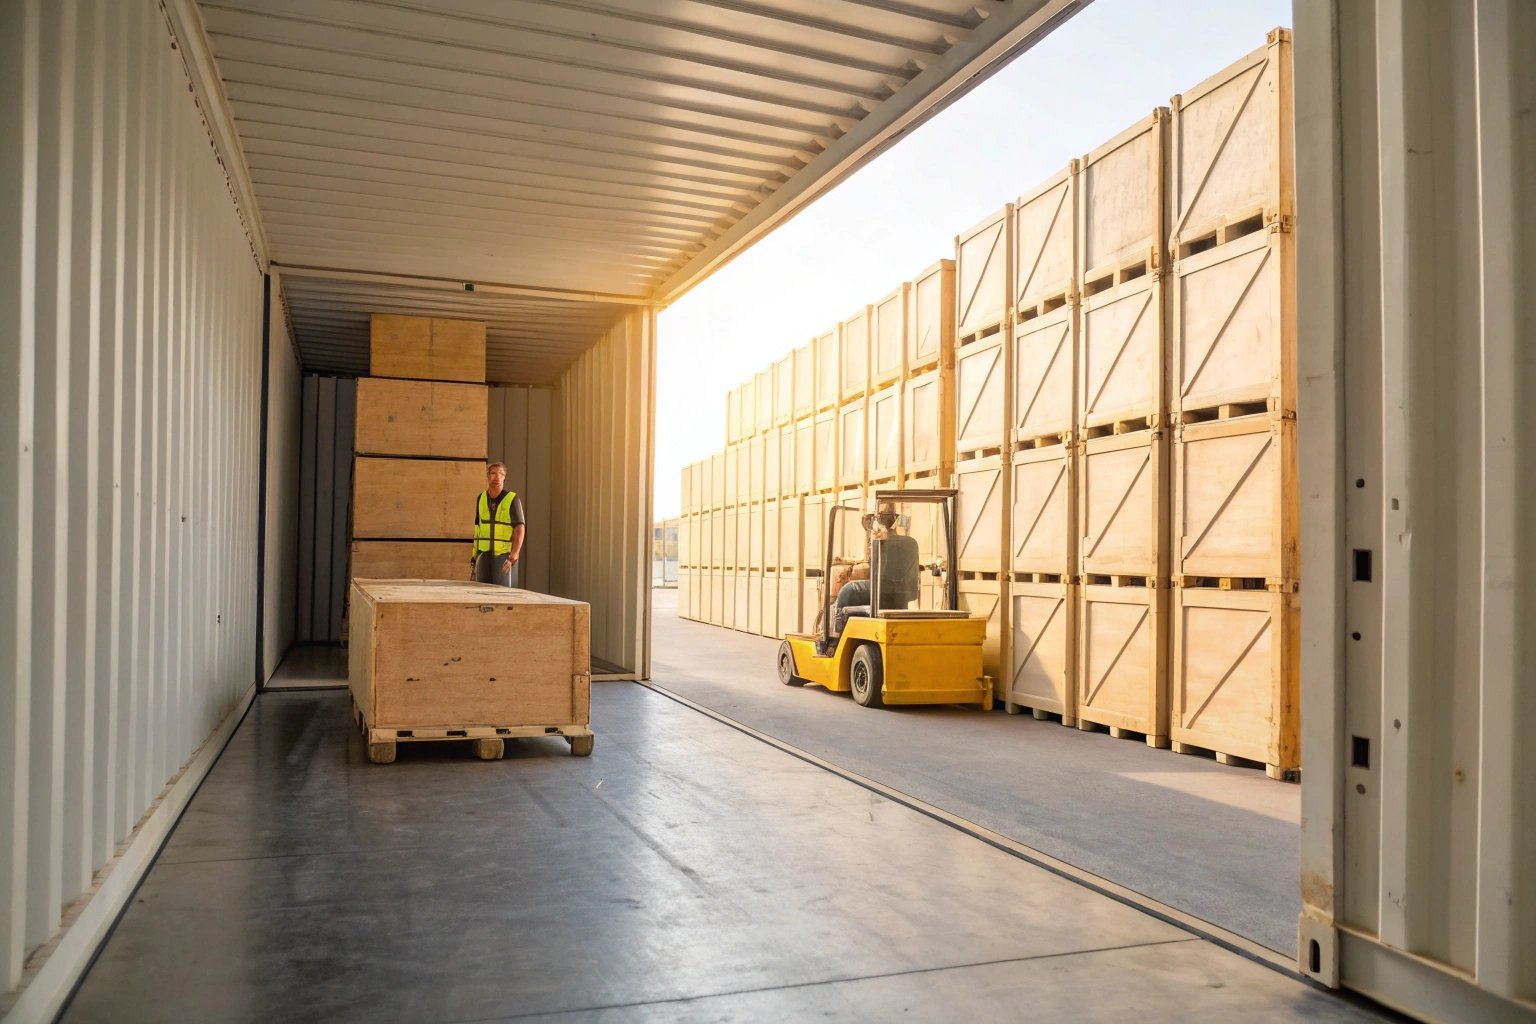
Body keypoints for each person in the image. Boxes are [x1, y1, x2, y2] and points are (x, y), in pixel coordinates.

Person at [826, 502, 921, 642]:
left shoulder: (883, 542)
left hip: (884, 592)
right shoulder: (909, 542)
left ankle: (835, 641)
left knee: (847, 591)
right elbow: (882, 569)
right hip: (898, 595)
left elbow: (881, 576)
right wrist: (851, 570)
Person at [471, 462, 526, 587]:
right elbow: (477, 528)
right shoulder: (481, 498)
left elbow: (520, 529)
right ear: (488, 476)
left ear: (505, 477)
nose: (497, 477)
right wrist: (474, 558)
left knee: (504, 596)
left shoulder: (512, 499)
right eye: (493, 473)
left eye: (501, 474)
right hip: (483, 557)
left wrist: (514, 555)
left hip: (504, 558)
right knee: (481, 595)